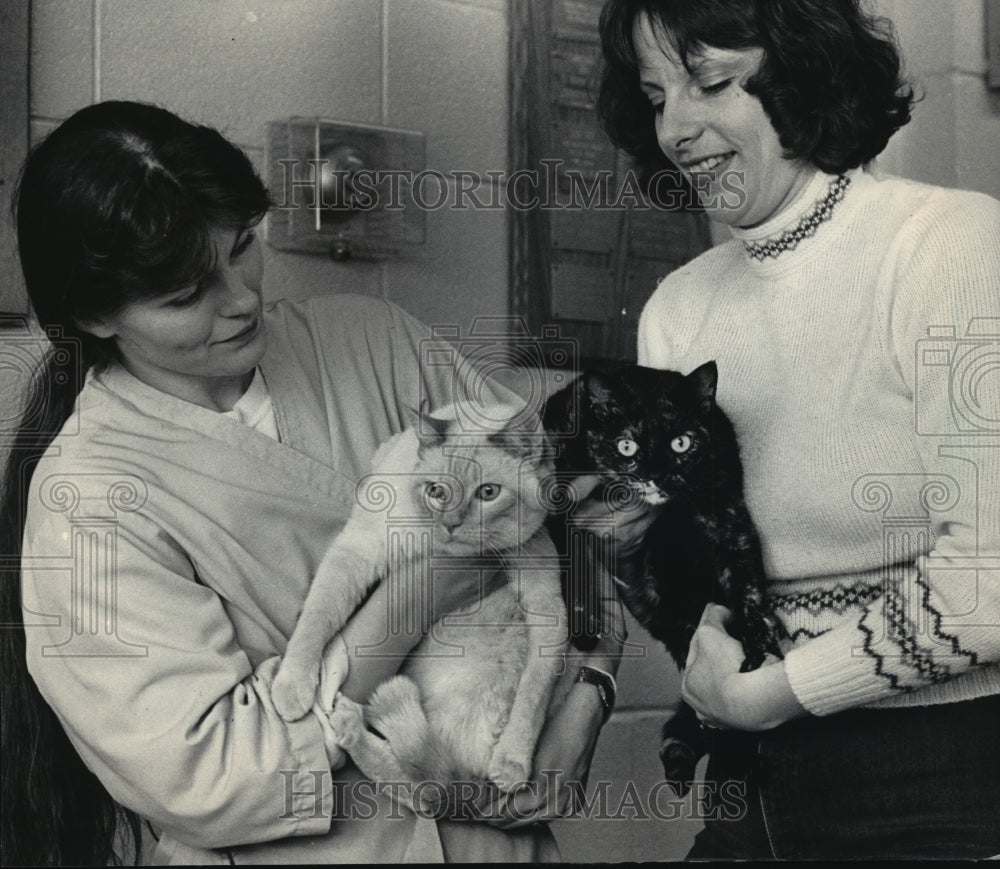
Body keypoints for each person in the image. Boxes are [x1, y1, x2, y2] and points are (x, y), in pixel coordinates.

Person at [0, 100, 626, 866]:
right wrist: (416, 595)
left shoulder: (372, 340)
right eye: (185, 294)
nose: (240, 299)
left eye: (242, 249)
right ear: (96, 315)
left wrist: (590, 694)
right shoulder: (90, 497)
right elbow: (214, 776)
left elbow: (568, 518)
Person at [596, 0, 1000, 860]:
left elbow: (993, 572)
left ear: (801, 68)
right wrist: (637, 562)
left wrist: (777, 690)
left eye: (710, 82)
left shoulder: (949, 245)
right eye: (657, 94)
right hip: (751, 775)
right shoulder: (678, 308)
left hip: (948, 772)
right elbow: (703, 580)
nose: (677, 126)